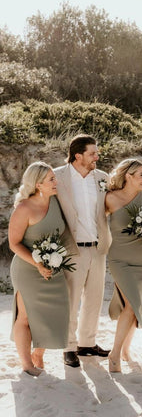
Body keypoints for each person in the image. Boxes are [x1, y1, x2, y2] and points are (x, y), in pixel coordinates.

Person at [54, 135, 111, 368]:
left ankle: (87, 343)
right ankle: (68, 347)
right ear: (78, 155)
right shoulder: (57, 176)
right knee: (71, 299)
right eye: (92, 153)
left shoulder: (102, 178)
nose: (97, 157)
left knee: (94, 298)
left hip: (98, 247)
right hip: (71, 248)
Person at [8, 162, 70, 376]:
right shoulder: (24, 207)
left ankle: (39, 353)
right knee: (24, 317)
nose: (56, 182)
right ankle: (27, 364)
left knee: (56, 313)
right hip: (27, 269)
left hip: (54, 267)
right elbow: (13, 243)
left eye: (55, 177)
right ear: (38, 184)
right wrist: (38, 264)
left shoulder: (56, 202)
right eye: (51, 179)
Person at [105, 159, 142, 372]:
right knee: (132, 305)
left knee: (134, 309)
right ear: (128, 176)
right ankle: (114, 354)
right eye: (141, 175)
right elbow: (95, 224)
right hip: (119, 258)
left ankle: (125, 350)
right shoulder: (109, 198)